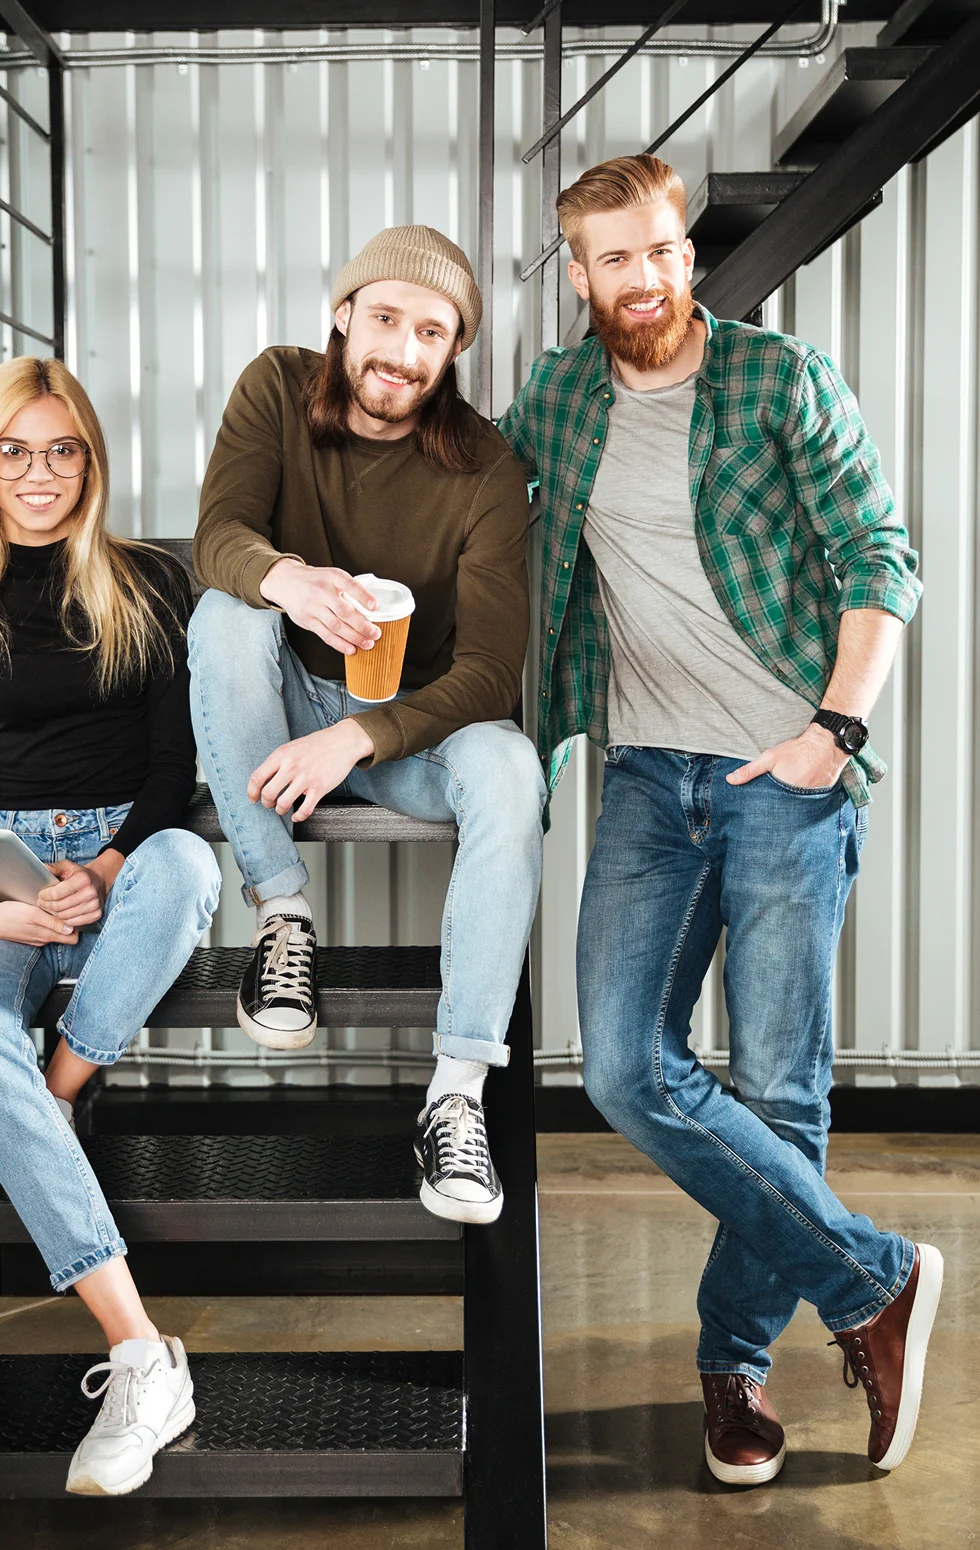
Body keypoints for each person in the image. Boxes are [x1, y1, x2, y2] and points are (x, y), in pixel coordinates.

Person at [498, 154, 942, 1484]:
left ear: (686, 251)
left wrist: (832, 732)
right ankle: (872, 1280)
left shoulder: (778, 380)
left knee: (778, 1089)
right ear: (580, 274)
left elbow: (880, 555)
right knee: (624, 1067)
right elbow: (457, 506)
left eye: (660, 250)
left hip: (785, 776)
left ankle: (734, 1364)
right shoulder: (557, 400)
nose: (643, 278)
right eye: (613, 259)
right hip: (648, 778)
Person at [0, 356, 221, 1496]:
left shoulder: (150, 582)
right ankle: (142, 1353)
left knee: (189, 867)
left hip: (126, 851)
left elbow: (173, 767)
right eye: (14, 452)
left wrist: (110, 862)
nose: (40, 474)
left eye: (62, 449)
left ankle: (59, 1091)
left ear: (91, 457)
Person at [187, 226, 544, 1225]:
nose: (403, 350)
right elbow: (218, 537)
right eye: (385, 317)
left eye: (432, 331)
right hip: (283, 704)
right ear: (344, 315)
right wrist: (287, 580)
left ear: (454, 348)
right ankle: (283, 916)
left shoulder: (486, 469)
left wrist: (361, 736)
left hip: (408, 736)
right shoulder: (276, 386)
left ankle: (456, 1095)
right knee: (224, 616)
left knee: (511, 768)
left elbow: (489, 673)